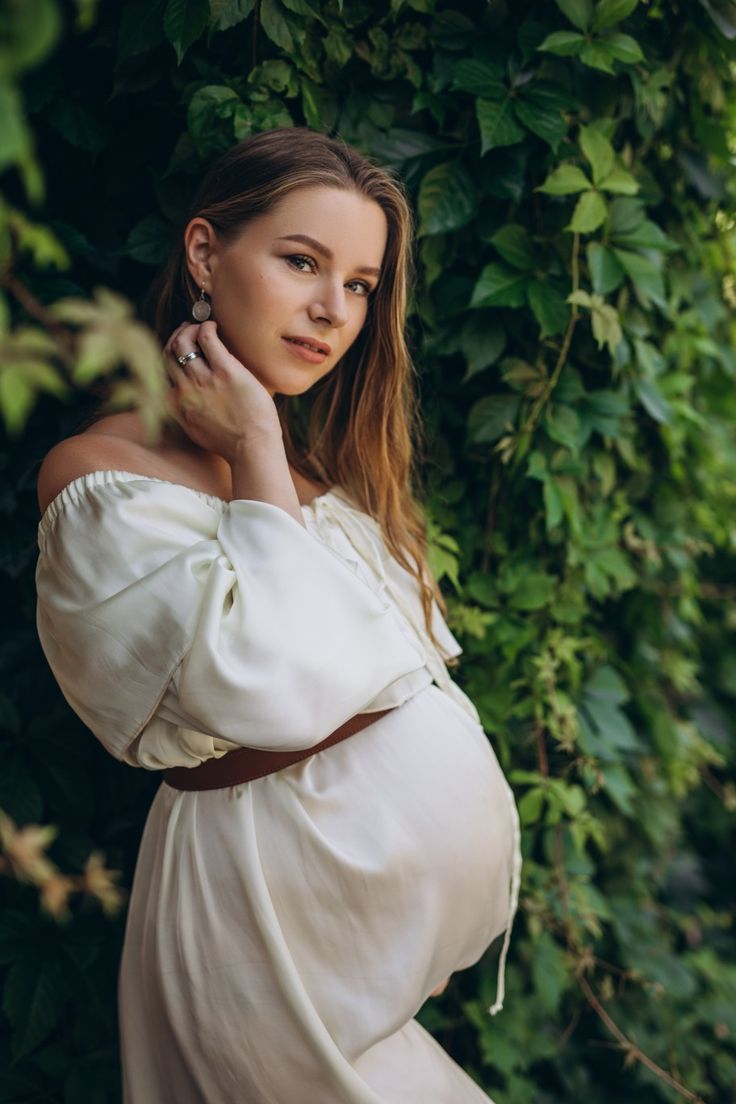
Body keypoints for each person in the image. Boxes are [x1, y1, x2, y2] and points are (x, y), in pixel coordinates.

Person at [34, 127, 522, 1104]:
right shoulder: (101, 481)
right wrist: (256, 442)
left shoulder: (319, 478)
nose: (331, 310)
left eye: (359, 284)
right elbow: (270, 685)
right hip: (257, 929)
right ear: (206, 252)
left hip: (352, 952)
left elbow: (401, 679)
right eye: (302, 262)